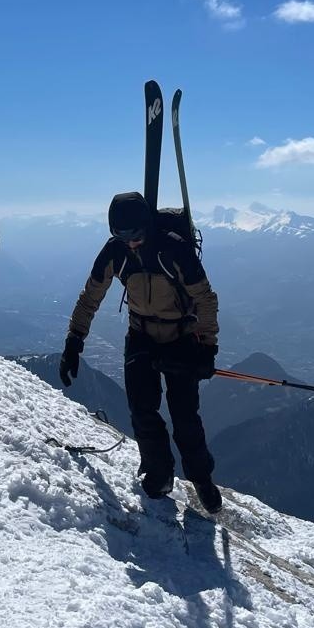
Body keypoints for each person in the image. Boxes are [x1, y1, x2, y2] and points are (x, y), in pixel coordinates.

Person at [58, 191, 222, 513]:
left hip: (181, 338)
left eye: (135, 235)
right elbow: (90, 296)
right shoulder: (115, 251)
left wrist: (207, 349)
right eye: (122, 236)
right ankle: (159, 475)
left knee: (185, 416)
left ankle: (201, 479)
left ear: (147, 226)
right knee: (141, 409)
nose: (130, 243)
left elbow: (205, 299)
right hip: (141, 336)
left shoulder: (174, 249)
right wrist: (74, 341)